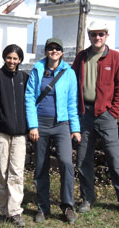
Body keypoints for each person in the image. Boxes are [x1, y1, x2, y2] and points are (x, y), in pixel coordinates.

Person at [72, 21, 119, 215]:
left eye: (101, 34)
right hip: (85, 114)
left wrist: (114, 112)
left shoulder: (115, 58)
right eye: (93, 34)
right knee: (83, 158)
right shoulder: (81, 57)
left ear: (106, 35)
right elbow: (73, 84)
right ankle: (87, 198)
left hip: (106, 115)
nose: (97, 38)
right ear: (89, 36)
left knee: (115, 158)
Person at [25, 38, 81, 224]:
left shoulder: (69, 73)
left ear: (62, 52)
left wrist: (76, 128)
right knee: (41, 165)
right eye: (50, 48)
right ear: (46, 50)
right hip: (40, 124)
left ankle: (67, 206)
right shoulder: (37, 70)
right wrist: (33, 125)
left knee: (66, 162)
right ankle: (43, 207)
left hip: (62, 124)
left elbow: (72, 103)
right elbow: (30, 98)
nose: (54, 51)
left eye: (58, 48)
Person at [0, 44, 29, 227]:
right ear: (4, 58)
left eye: (15, 58)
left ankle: (14, 211)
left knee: (17, 171)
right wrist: (2, 118)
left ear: (20, 60)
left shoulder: (24, 77)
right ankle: (3, 209)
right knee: (3, 171)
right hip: (1, 131)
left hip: (21, 133)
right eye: (9, 57)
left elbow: (30, 102)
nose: (12, 61)